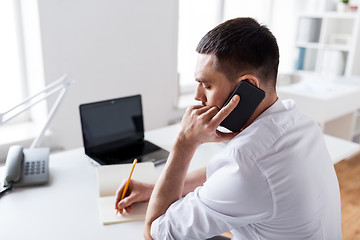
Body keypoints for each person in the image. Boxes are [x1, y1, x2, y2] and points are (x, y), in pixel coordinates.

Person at [115, 17, 342, 240]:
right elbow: (227, 175)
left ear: (248, 87)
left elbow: (155, 233)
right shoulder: (297, 121)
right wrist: (154, 189)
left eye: (207, 85)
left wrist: (184, 144)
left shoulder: (248, 165)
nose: (198, 97)